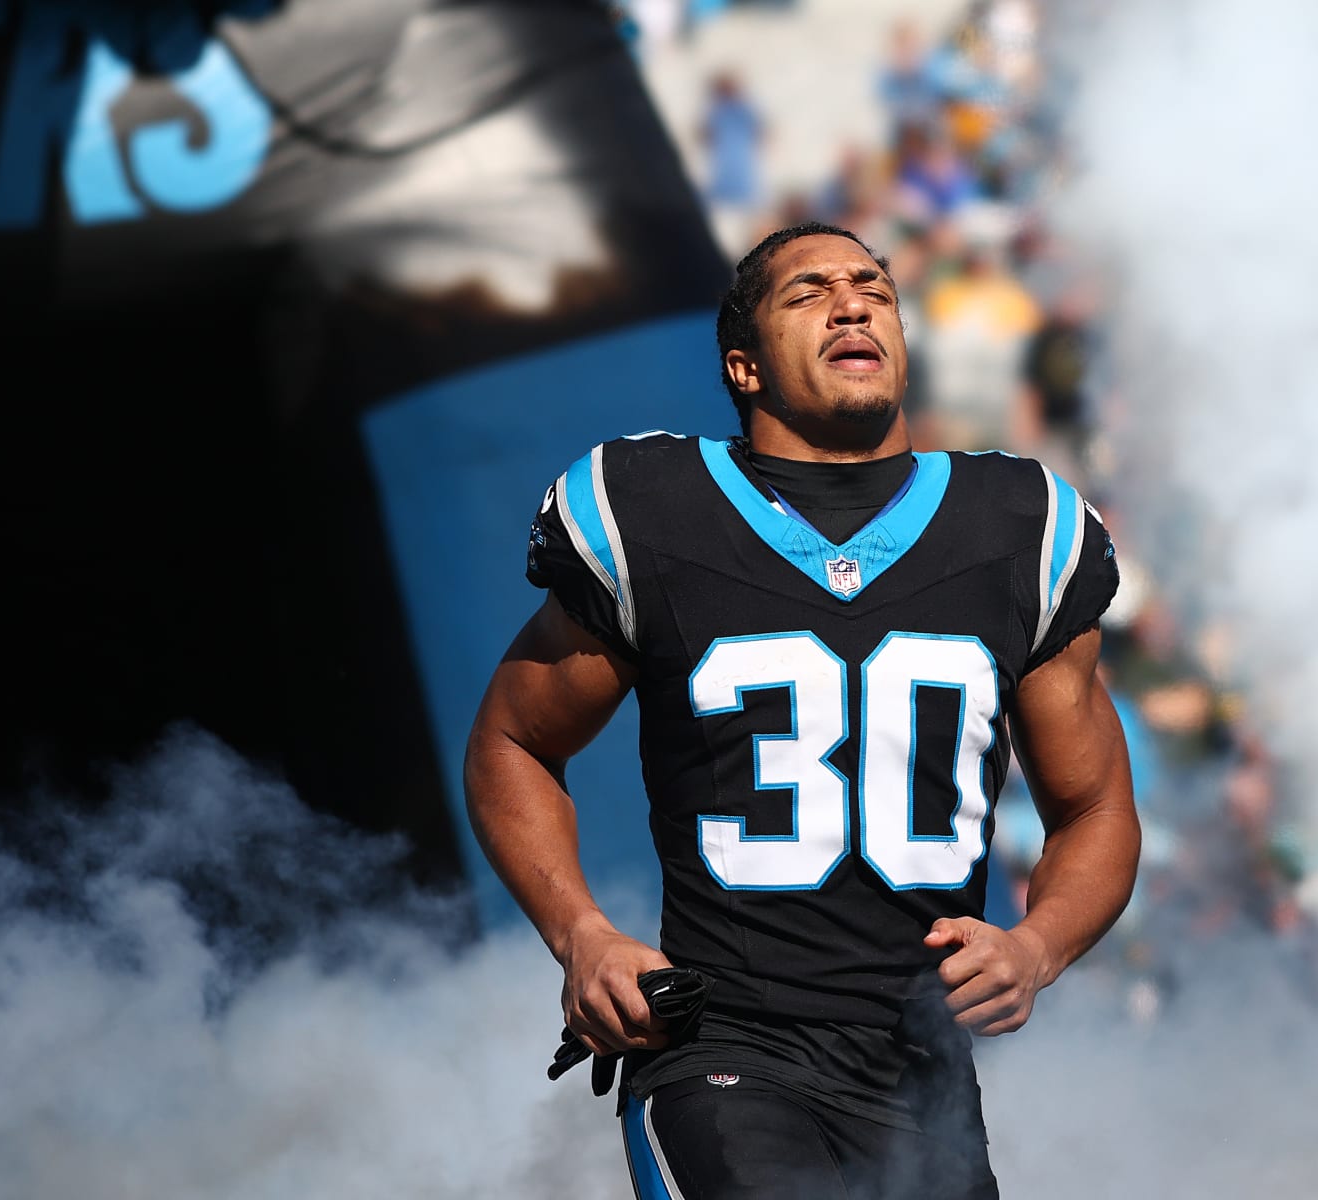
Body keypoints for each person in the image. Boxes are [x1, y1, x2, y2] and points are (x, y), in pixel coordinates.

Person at [464, 222, 1140, 1199]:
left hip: (924, 1079)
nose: (853, 302)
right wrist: (583, 936)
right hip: (727, 1049)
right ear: (745, 366)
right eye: (809, 292)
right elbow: (513, 743)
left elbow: (1096, 806)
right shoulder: (654, 510)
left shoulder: (1020, 525)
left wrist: (1037, 947)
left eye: (874, 288)